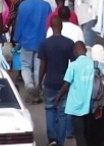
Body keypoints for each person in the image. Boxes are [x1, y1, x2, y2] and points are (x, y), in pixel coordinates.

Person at [37, 16, 75, 145]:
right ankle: (60, 141)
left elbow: (42, 65)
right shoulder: (69, 43)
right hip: (64, 82)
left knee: (50, 109)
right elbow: (74, 63)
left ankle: (52, 138)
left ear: (51, 27)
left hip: (49, 82)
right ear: (61, 26)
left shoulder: (44, 44)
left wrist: (39, 82)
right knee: (63, 113)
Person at [14, 0, 51, 103]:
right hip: (42, 41)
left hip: (26, 41)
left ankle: (30, 87)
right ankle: (37, 88)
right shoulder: (46, 6)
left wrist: (16, 38)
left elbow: (19, 24)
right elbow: (49, 25)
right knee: (38, 67)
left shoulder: (24, 5)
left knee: (25, 66)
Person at [54, 41, 96, 146]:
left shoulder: (73, 65)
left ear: (75, 52)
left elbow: (66, 85)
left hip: (77, 106)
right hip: (91, 104)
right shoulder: (93, 64)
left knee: (79, 134)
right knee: (89, 133)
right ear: (86, 51)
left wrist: (58, 96)